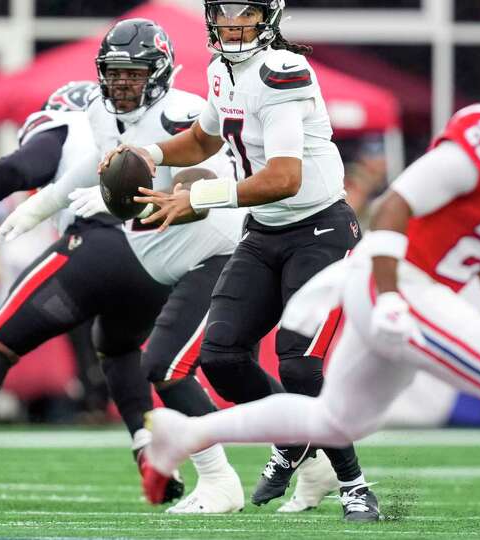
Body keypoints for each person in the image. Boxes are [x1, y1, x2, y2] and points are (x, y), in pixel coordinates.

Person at [138, 26, 480, 540]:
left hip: (401, 286)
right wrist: (389, 297)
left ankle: (188, 433)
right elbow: (397, 202)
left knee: (333, 419)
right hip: (401, 285)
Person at [0, 19, 270, 515]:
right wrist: (43, 204)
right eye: (114, 73)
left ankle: (225, 479)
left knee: (166, 366)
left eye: (133, 74)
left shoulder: (180, 110)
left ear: (159, 73)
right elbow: (93, 163)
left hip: (221, 249)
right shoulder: (99, 110)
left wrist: (144, 198)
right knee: (227, 369)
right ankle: (315, 452)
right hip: (175, 259)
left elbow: (219, 172)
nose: (121, 84)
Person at [112, 1, 375, 520]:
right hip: (265, 232)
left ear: (267, 19)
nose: (233, 25)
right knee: (221, 358)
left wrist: (200, 199)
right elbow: (204, 139)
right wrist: (150, 154)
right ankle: (294, 437)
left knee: (299, 362)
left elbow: (284, 178)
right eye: (225, 15)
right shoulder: (221, 70)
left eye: (245, 15)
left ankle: (354, 484)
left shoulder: (283, 72)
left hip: (319, 230)